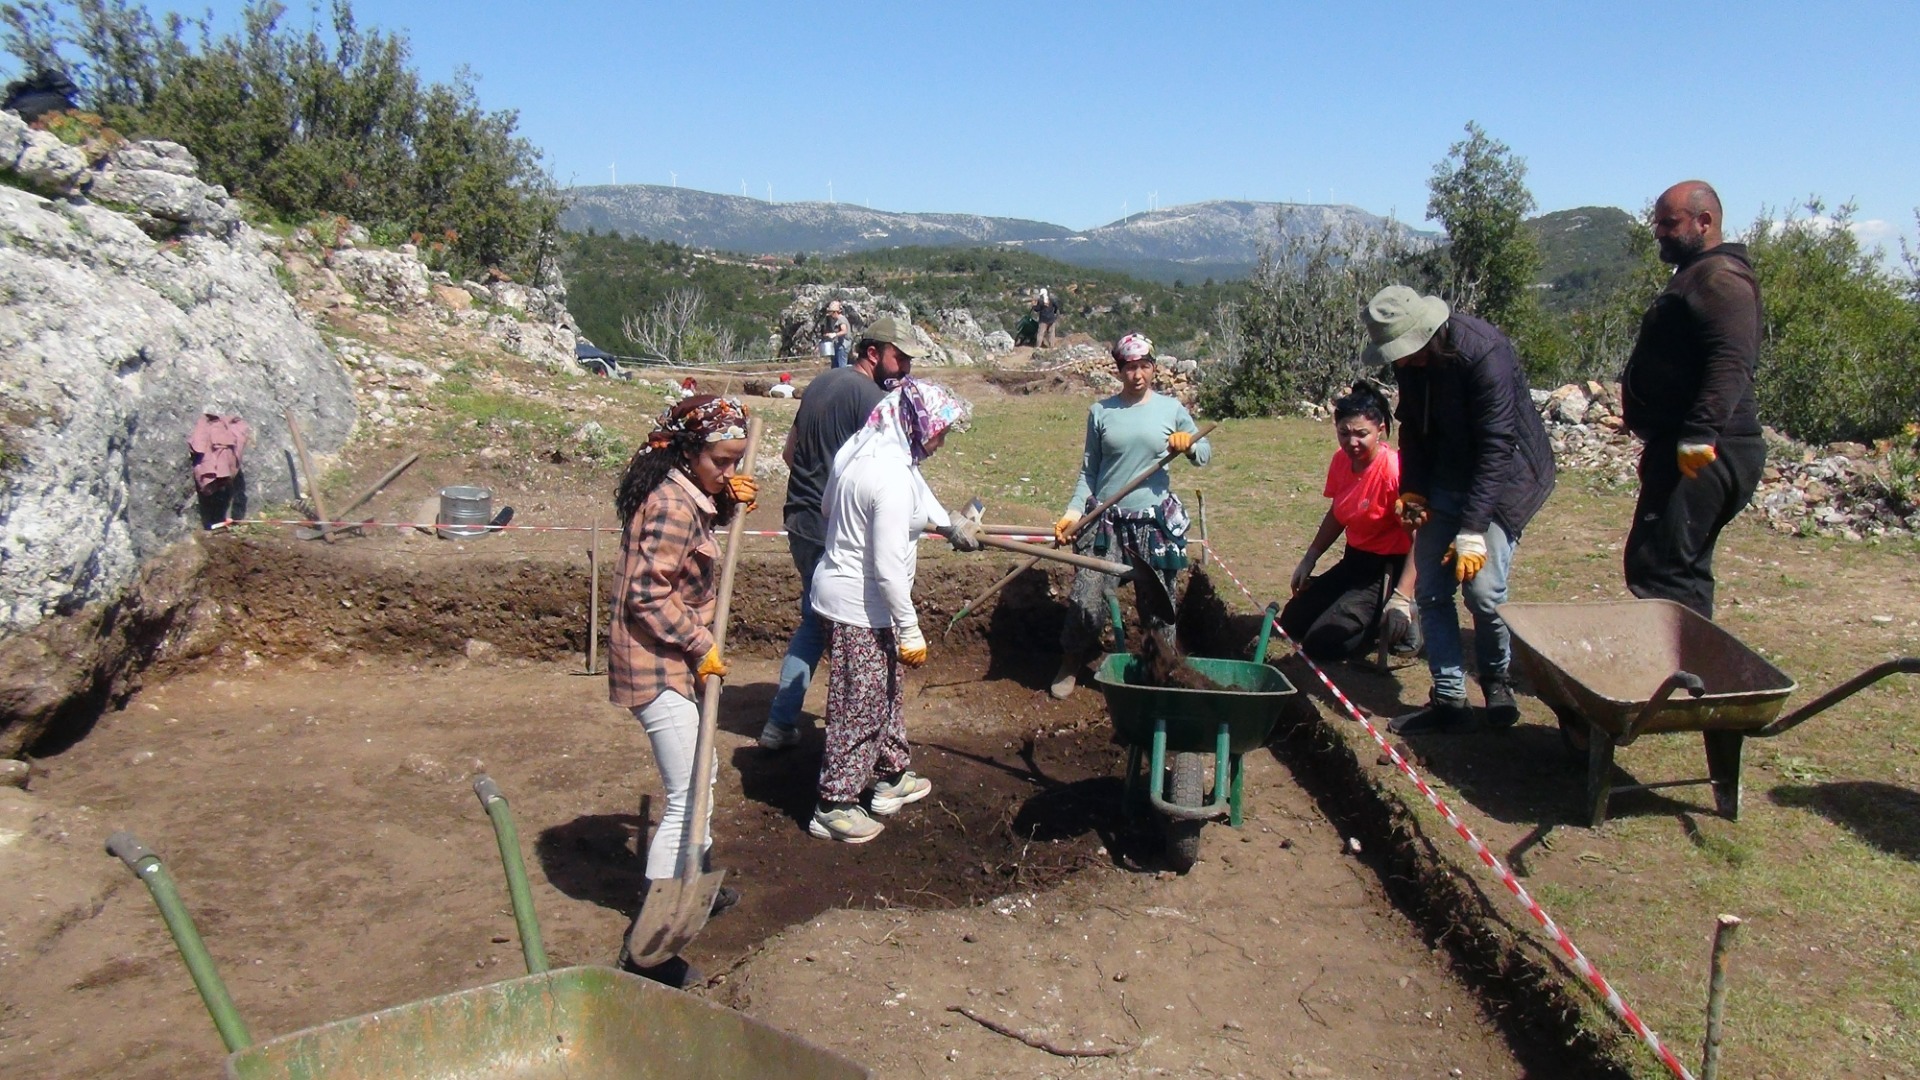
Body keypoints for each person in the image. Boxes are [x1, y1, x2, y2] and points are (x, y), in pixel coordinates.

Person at [760, 316, 982, 749]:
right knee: (851, 627)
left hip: (801, 518)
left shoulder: (822, 384)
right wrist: (947, 523)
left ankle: (781, 723)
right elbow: (902, 479)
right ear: (873, 352)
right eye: (900, 359)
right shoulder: (873, 400)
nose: (906, 371)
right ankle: (856, 730)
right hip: (837, 528)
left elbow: (790, 453)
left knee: (815, 619)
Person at [607, 394, 758, 984]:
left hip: (669, 653)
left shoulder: (686, 491)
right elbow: (645, 595)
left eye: (736, 461)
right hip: (654, 660)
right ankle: (652, 945)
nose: (729, 470)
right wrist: (701, 642)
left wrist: (722, 502)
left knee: (699, 778)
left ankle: (692, 875)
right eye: (721, 461)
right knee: (691, 790)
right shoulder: (670, 503)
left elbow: (684, 555)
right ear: (690, 450)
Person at [1360, 286, 1555, 735]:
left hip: (1504, 481)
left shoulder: (1485, 353)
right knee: (1430, 590)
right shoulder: (1410, 363)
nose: (1401, 361)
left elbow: (1498, 445)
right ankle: (1449, 696)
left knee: (1484, 593)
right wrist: (1412, 490)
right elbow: (1411, 427)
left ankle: (1496, 680)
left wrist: (1472, 529)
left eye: (1405, 350)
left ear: (1426, 331)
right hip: (1444, 476)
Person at [807, 379, 972, 842]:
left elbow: (827, 509)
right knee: (859, 703)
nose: (939, 443)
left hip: (843, 592)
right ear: (917, 425)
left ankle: (889, 774)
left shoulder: (863, 448)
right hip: (860, 605)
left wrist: (947, 524)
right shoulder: (890, 475)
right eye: (938, 433)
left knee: (886, 690)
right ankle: (833, 803)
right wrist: (911, 629)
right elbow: (887, 566)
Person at [1620, 181, 1765, 620]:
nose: (1659, 232)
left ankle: (1685, 676)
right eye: (1657, 222)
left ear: (1704, 222)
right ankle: (1689, 672)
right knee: (1673, 564)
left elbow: (1731, 359)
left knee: (1665, 569)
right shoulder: (1701, 274)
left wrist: (1700, 433)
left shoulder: (1721, 278)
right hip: (1689, 443)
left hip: (1707, 450)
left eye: (1669, 222)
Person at [1050, 333, 1210, 699]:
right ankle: (1072, 660)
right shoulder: (1101, 412)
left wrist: (1190, 445)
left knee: (1158, 603)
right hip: (1105, 521)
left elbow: (1204, 453)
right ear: (1119, 370)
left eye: (1143, 366)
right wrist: (1073, 512)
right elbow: (1089, 472)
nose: (1136, 375)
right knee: (1087, 595)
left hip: (1152, 524)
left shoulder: (1171, 410)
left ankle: (1161, 672)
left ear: (1153, 367)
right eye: (1129, 367)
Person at [1281, 382, 1420, 662]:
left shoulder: (1394, 471)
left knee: (1321, 644)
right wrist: (1310, 558)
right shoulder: (1341, 461)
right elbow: (1337, 513)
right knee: (1292, 622)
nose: (1351, 443)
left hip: (1386, 569)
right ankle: (1358, 612)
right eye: (1344, 433)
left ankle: (1404, 618)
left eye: (1361, 434)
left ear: (1380, 431)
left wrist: (1403, 595)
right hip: (1354, 562)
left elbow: (1421, 538)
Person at [821, 301, 852, 368]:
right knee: (835, 366)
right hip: (838, 345)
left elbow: (844, 331)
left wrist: (834, 334)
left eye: (831, 312)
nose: (830, 315)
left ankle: (843, 378)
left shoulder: (841, 319)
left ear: (835, 312)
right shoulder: (836, 320)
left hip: (843, 346)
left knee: (841, 366)